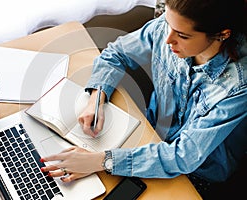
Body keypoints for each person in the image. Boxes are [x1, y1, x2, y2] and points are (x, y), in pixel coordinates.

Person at [40, 0, 247, 198]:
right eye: (167, 23)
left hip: (198, 173)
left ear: (222, 35)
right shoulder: (168, 28)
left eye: (182, 36)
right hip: (149, 135)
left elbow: (184, 156)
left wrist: (103, 161)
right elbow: (116, 53)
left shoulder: (238, 85)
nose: (167, 39)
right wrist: (97, 97)